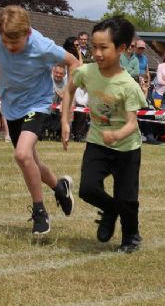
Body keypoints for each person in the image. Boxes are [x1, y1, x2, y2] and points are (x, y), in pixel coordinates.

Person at [61, 16, 147, 252]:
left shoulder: (128, 85)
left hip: (126, 147)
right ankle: (110, 209)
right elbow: (69, 90)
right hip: (97, 142)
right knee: (87, 189)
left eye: (103, 47)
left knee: (127, 198)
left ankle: (131, 237)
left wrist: (117, 135)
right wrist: (65, 121)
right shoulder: (87, 72)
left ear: (121, 48)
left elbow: (132, 124)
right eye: (94, 47)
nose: (97, 53)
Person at [0, 5, 77, 234]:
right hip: (12, 107)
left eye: (14, 43)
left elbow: (74, 63)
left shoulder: (42, 46)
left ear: (27, 33)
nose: (8, 48)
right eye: (4, 42)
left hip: (37, 104)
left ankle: (40, 212)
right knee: (31, 162)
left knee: (22, 154)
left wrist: (68, 102)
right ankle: (60, 188)